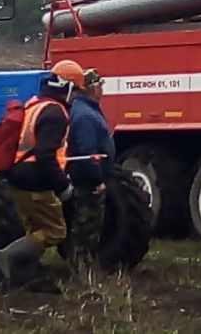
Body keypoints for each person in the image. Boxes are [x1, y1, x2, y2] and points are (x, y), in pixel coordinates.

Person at [0, 59, 85, 290]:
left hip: (18, 178)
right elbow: (45, 155)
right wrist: (64, 186)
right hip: (36, 182)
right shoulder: (56, 113)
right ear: (67, 86)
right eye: (76, 91)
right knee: (55, 231)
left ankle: (21, 277)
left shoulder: (35, 103)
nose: (75, 97)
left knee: (34, 231)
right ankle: (5, 257)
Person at [65, 68, 113, 269]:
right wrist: (97, 180)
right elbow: (87, 153)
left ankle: (85, 266)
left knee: (89, 227)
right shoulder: (84, 115)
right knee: (86, 228)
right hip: (87, 183)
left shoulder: (88, 109)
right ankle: (81, 270)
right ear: (92, 88)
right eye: (100, 85)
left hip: (88, 180)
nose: (102, 88)